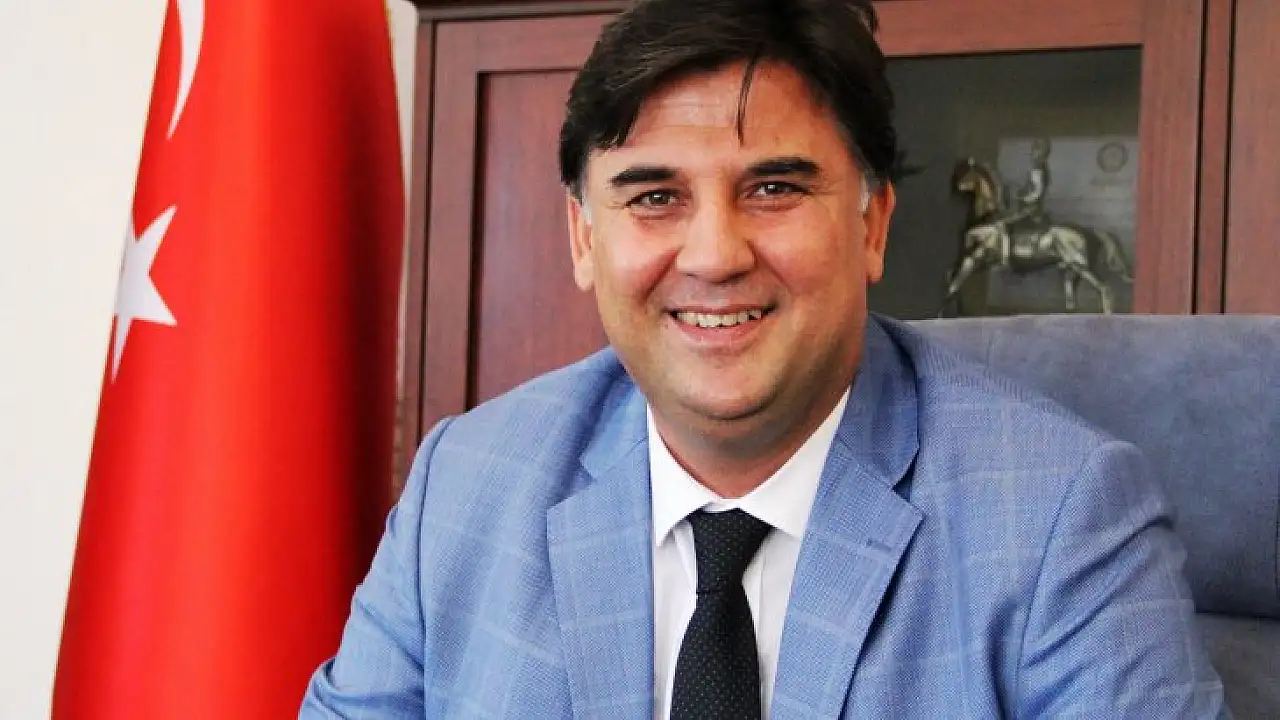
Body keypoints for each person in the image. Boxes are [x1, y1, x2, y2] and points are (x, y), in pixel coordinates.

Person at [301, 0, 1226, 717]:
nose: (714, 255)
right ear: (584, 239)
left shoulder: (1063, 520)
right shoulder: (465, 486)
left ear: (872, 224)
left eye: (774, 187)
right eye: (654, 197)